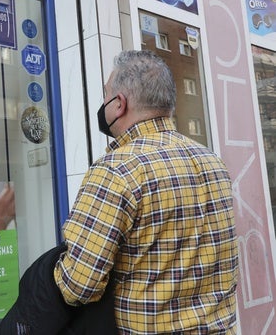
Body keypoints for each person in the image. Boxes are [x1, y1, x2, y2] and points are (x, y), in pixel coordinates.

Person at [51, 50, 239, 333]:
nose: (103, 103)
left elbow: (79, 285)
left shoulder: (115, 171)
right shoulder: (213, 162)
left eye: (106, 94)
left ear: (119, 104)